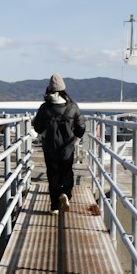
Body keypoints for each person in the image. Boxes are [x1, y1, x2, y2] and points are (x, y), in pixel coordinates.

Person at [32, 72, 85, 211]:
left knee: (53, 175)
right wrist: (76, 139)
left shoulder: (45, 108)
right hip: (67, 148)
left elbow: (37, 126)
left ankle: (54, 206)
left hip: (50, 147)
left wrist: (44, 132)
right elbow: (81, 126)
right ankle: (66, 193)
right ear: (63, 90)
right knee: (67, 172)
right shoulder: (72, 107)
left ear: (49, 90)